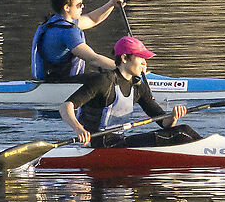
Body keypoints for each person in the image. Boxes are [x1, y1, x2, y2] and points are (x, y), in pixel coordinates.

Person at [61, 36, 199, 148]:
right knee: (182, 133)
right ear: (124, 58)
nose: (145, 63)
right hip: (97, 143)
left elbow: (164, 123)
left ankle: (210, 149)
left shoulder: (139, 86)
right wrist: (79, 129)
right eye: (140, 57)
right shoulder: (103, 81)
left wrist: (173, 116)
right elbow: (65, 106)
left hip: (118, 142)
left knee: (181, 130)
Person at [31, 0, 124, 82]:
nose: (83, 6)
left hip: (48, 79)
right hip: (60, 84)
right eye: (79, 5)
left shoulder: (54, 22)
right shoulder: (67, 32)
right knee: (104, 78)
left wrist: (111, 3)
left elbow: (92, 19)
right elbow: (93, 59)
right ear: (66, 7)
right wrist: (124, 69)